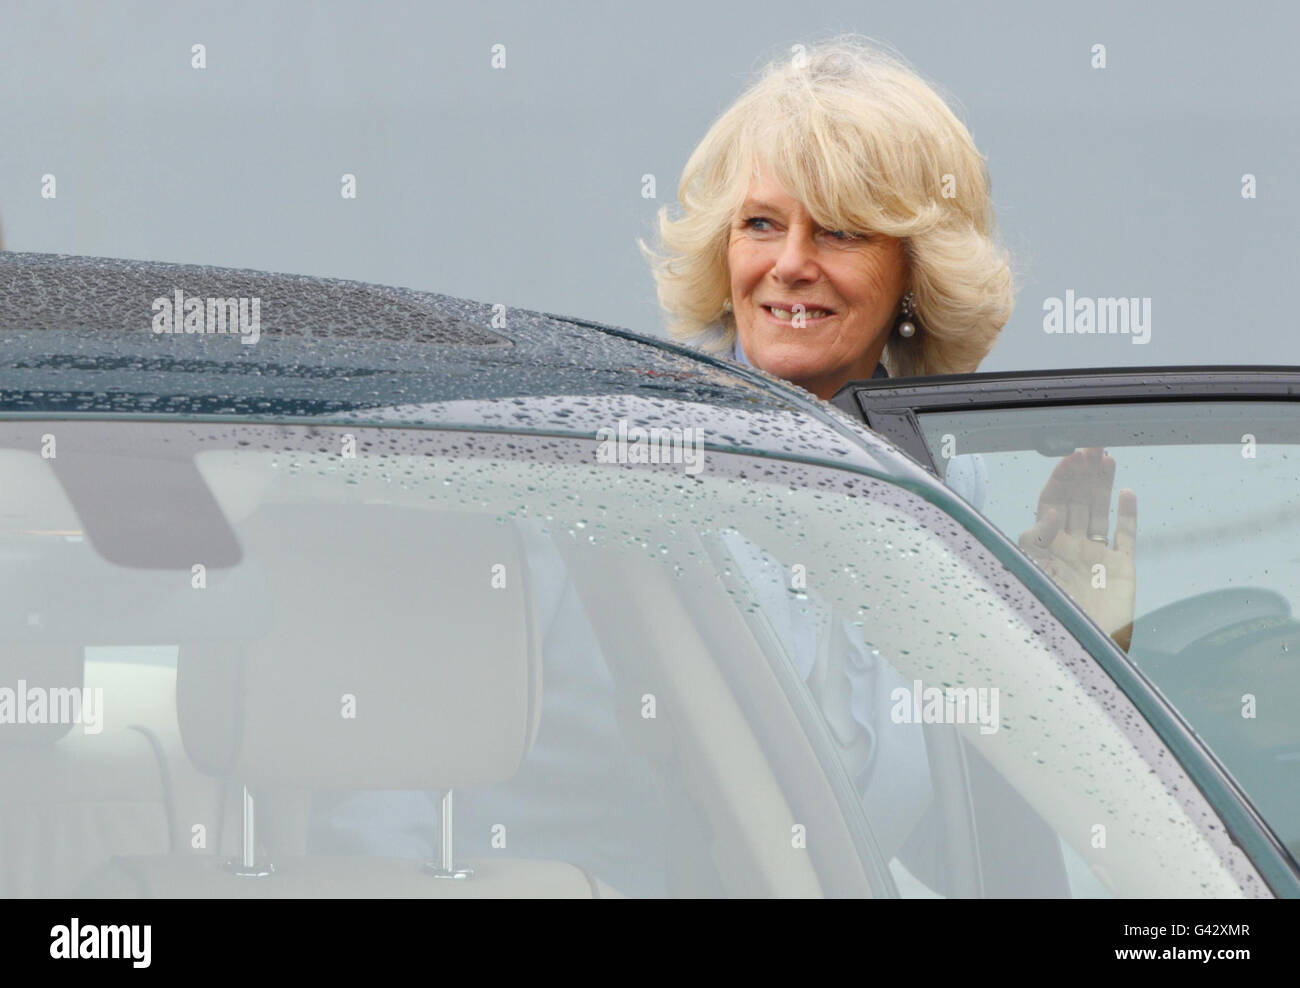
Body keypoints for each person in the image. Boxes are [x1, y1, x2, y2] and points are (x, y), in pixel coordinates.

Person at [640, 34, 1137, 649]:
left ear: (917, 271)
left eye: (842, 231)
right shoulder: (651, 457)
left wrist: (1065, 636)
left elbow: (956, 733)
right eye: (761, 223)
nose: (791, 263)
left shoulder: (944, 466)